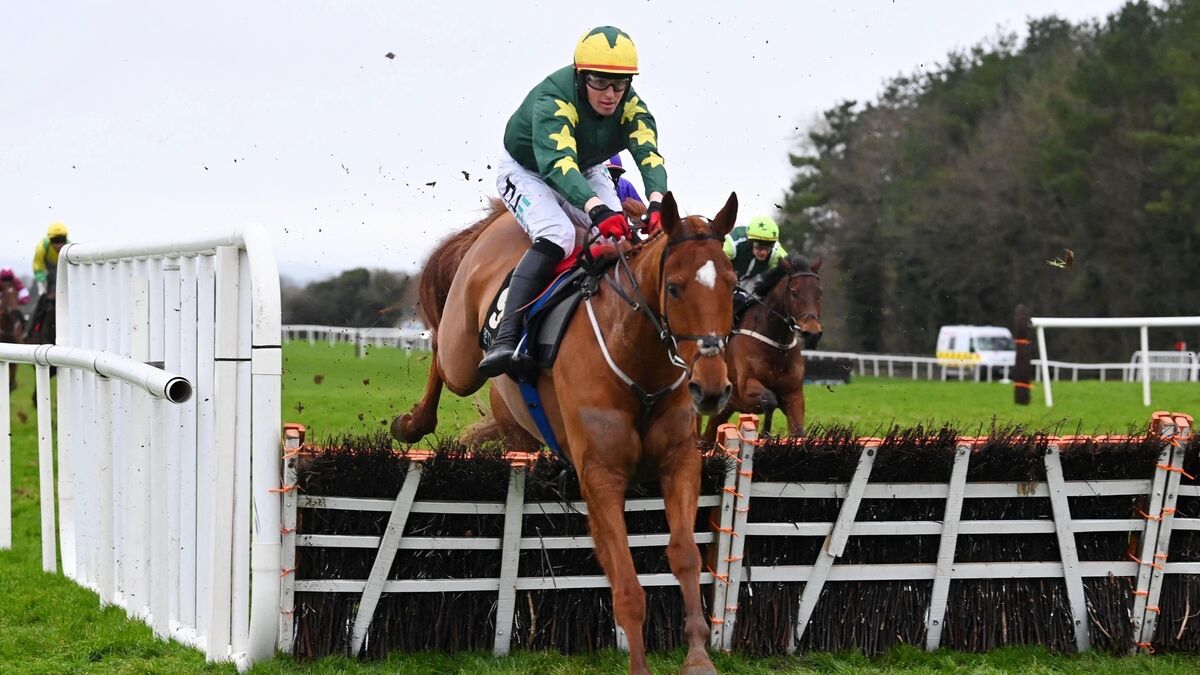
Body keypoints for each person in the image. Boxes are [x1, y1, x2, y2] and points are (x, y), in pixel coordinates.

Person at [483, 25, 668, 377]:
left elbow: (649, 154)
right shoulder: (554, 99)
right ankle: (505, 337)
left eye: (620, 84)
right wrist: (597, 211)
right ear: (581, 76)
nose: (610, 94)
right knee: (559, 234)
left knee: (622, 238)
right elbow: (557, 165)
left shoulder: (631, 105)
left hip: (585, 166)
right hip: (528, 170)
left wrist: (657, 203)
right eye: (600, 82)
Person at [724, 215, 787, 281]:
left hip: (750, 280)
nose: (763, 252)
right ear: (749, 242)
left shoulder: (775, 251)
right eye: (759, 246)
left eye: (769, 246)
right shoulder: (732, 245)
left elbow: (790, 266)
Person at [33, 222, 69, 297]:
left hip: (63, 271)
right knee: (42, 293)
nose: (59, 244)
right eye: (55, 241)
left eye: (62, 240)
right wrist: (42, 281)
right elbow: (38, 266)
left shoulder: (70, 247)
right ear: (49, 239)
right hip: (46, 272)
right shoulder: (41, 247)